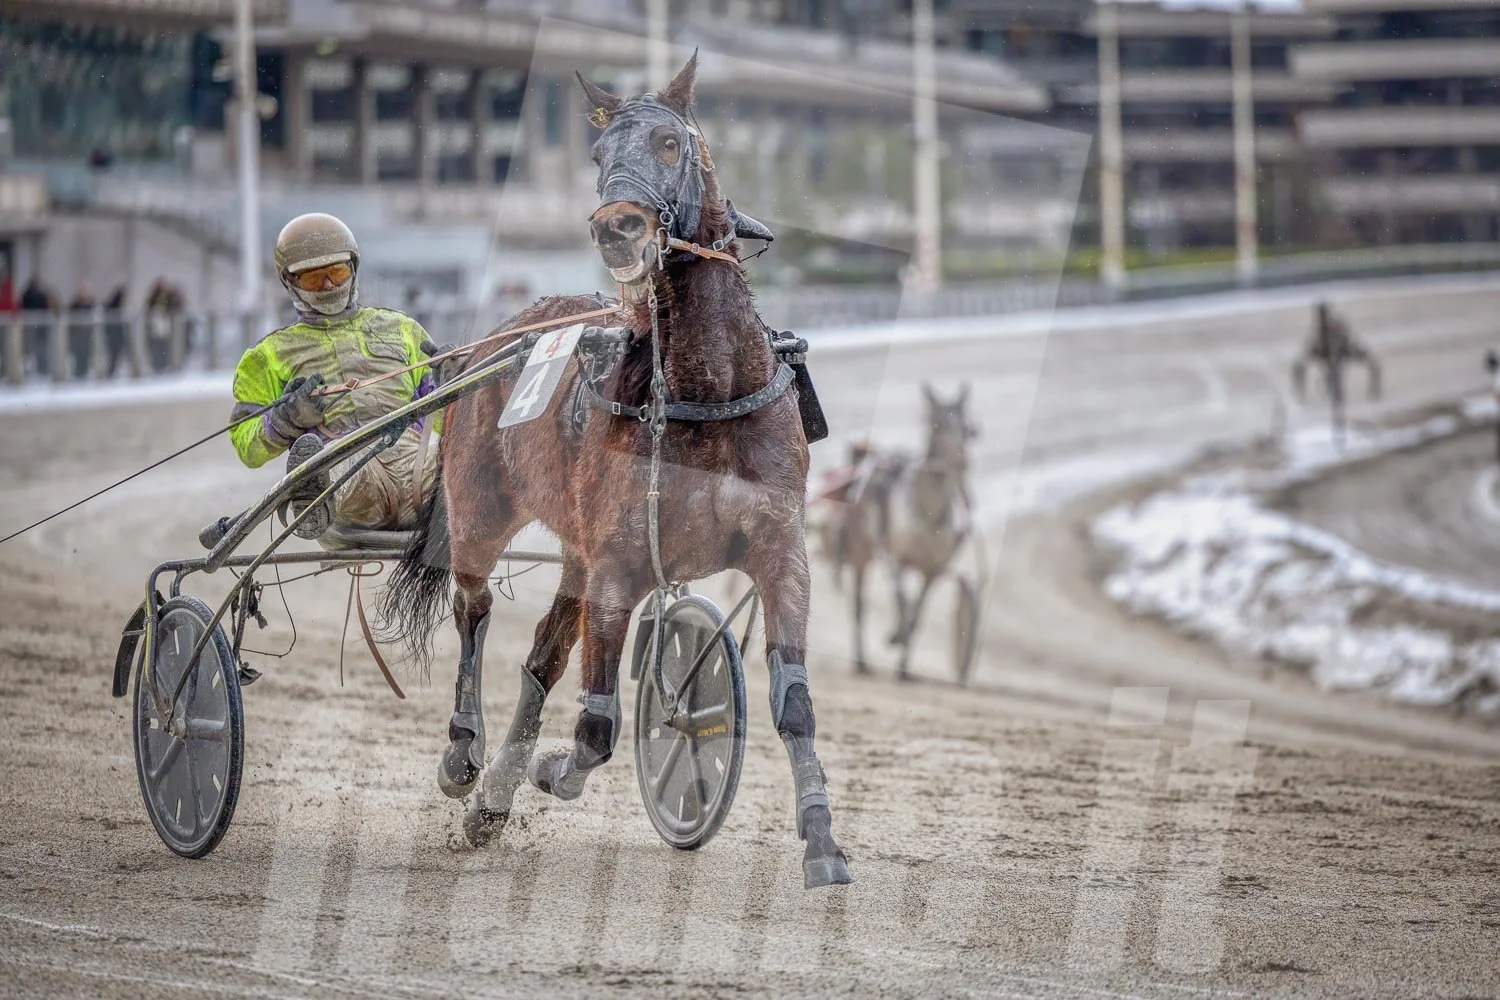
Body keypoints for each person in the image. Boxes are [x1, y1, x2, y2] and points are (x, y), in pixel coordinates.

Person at [228, 213, 443, 539]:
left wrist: (451, 388)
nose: (328, 285)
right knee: (337, 462)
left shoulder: (403, 329)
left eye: (337, 273)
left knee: (469, 462)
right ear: (290, 281)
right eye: (314, 279)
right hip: (347, 471)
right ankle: (314, 497)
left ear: (353, 270)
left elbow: (441, 422)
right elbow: (247, 446)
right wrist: (285, 419)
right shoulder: (267, 355)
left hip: (417, 462)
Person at [20, 276, 50, 377]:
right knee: (29, 350)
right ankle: (29, 370)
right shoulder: (27, 295)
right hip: (29, 328)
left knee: (41, 349)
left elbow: (46, 308)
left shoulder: (41, 295)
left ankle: (42, 369)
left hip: (40, 328)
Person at [67, 282, 97, 380]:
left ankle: (85, 372)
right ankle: (78, 372)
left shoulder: (92, 303)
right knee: (78, 354)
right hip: (77, 335)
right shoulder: (75, 304)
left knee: (86, 353)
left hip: (87, 334)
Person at [103, 285, 128, 377]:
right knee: (113, 354)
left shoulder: (117, 306)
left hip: (117, 335)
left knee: (116, 354)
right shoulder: (113, 306)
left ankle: (114, 370)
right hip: (113, 336)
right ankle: (111, 371)